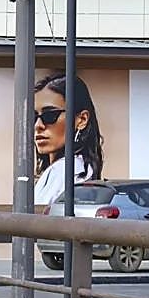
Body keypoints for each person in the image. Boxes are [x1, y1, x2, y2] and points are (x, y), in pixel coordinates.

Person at [31, 72, 104, 207]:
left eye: (50, 115)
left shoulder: (66, 170)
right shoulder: (78, 168)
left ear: (82, 119)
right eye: (33, 116)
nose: (38, 126)